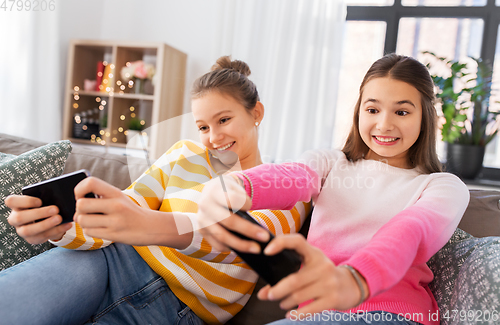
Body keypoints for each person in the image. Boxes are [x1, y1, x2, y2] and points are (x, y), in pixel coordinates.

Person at [1, 56, 310, 325]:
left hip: (176, 306)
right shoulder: (184, 154)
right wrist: (62, 228)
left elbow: (252, 246)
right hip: (110, 260)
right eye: (203, 127)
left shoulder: (286, 183)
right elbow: (127, 208)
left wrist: (148, 226)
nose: (214, 137)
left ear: (256, 113)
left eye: (224, 120)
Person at [195, 53, 470, 325]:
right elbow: (291, 176)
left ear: (425, 116)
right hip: (316, 315)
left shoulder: (443, 187)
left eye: (402, 111)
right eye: (372, 109)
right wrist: (230, 186)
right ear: (358, 111)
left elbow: (412, 231)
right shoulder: (330, 163)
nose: (384, 124)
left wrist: (355, 278)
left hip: (395, 315)